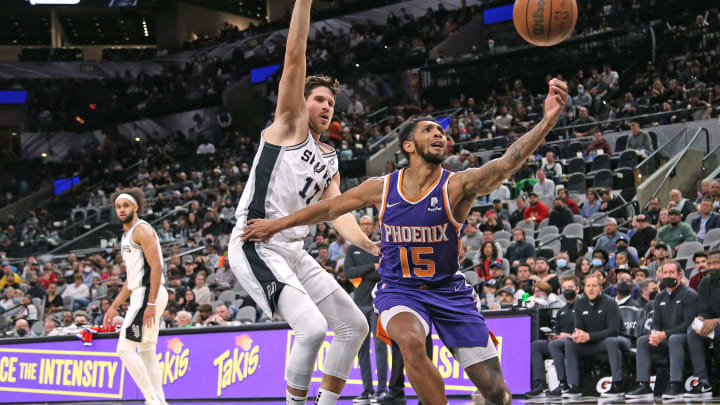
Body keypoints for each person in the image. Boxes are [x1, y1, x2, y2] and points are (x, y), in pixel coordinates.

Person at [242, 78, 570, 405]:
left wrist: (547, 121)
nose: (439, 134)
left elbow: (506, 164)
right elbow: (329, 207)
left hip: (450, 291)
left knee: (497, 394)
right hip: (400, 289)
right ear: (409, 146)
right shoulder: (383, 187)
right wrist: (276, 225)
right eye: (429, 131)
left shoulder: (457, 186)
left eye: (441, 132)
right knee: (411, 342)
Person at [227, 2, 372, 404]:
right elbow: (295, 53)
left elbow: (337, 212)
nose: (327, 107)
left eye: (331, 103)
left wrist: (369, 245)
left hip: (293, 250)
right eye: (320, 99)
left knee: (353, 326)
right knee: (310, 328)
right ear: (301, 101)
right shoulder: (287, 124)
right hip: (256, 241)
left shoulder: (330, 159)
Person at [103, 188, 169, 405]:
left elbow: (157, 266)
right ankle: (160, 400)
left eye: (126, 206)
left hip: (149, 294)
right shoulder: (127, 235)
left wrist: (150, 302)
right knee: (147, 349)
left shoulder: (142, 230)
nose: (122, 210)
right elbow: (132, 281)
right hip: (144, 292)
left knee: (124, 349)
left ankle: (151, 400)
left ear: (136, 207)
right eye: (118, 207)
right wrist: (114, 307)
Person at [626, 260, 698, 401]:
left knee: (674, 339)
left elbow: (689, 324)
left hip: (687, 339)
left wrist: (664, 334)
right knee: (642, 341)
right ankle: (644, 384)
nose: (668, 275)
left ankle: (675, 384)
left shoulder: (690, 294)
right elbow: (656, 322)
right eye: (665, 273)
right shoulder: (660, 297)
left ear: (679, 274)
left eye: (671, 272)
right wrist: (654, 333)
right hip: (666, 338)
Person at [342, 216, 388, 404]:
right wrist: (371, 267)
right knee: (362, 350)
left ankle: (382, 390)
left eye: (369, 224)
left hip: (378, 303)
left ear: (374, 227)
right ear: (359, 227)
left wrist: (364, 271)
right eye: (363, 224)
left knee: (380, 346)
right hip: (360, 304)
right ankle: (367, 390)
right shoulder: (353, 248)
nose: (366, 227)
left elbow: (384, 271)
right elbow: (347, 273)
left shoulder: (379, 247)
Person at [563, 274, 629, 399]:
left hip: (617, 339)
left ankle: (617, 384)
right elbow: (579, 328)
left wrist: (589, 336)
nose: (591, 289)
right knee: (570, 342)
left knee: (611, 341)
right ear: (584, 288)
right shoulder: (579, 303)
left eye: (594, 286)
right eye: (588, 286)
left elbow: (613, 331)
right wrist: (578, 335)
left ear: (600, 288)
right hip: (593, 342)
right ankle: (573, 386)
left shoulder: (610, 303)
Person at [526, 275, 580, 398]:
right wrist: (553, 335)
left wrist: (569, 335)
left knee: (556, 344)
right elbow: (557, 329)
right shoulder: (562, 310)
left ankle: (563, 383)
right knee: (536, 345)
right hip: (559, 340)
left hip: (575, 340)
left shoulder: (582, 306)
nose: (567, 290)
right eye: (564, 288)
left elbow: (586, 328)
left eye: (570, 287)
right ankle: (540, 384)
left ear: (577, 289)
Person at [685, 249, 720, 398]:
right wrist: (701, 318)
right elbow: (704, 309)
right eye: (709, 263)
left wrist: (716, 321)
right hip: (714, 325)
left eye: (716, 263)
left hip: (717, 323)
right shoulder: (705, 282)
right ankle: (703, 380)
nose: (712, 266)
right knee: (693, 332)